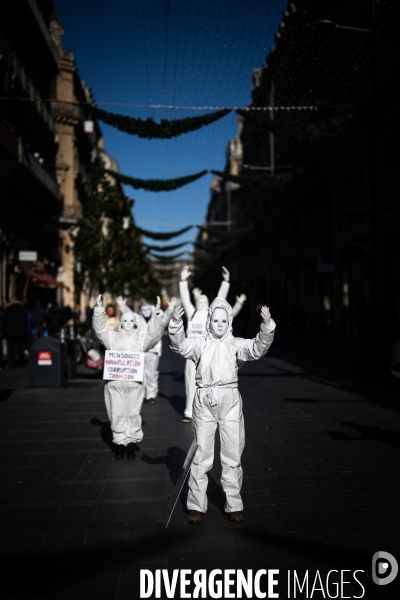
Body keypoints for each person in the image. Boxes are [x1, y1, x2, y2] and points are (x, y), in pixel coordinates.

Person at [169, 297, 275, 524]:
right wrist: (176, 325)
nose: (219, 324)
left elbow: (256, 348)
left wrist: (266, 328)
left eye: (223, 320)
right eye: (215, 320)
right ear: (209, 321)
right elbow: (181, 346)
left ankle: (234, 503)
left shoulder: (235, 344)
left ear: (229, 322)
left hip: (230, 401)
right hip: (204, 400)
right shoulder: (200, 344)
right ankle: (197, 505)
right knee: (200, 455)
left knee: (232, 454)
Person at [92, 294, 164, 459]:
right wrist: (99, 311)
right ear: (120, 322)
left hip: (134, 384)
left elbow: (153, 337)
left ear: (136, 323)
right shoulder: (112, 338)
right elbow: (100, 330)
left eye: (132, 321)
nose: (128, 323)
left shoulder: (140, 339)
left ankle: (131, 442)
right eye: (125, 320)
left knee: (132, 412)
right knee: (116, 413)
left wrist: (157, 316)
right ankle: (119, 443)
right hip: (115, 383)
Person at [179, 265, 246, 423]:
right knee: (190, 382)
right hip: (192, 353)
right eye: (199, 300)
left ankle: (207, 411)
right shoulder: (192, 313)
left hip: (208, 352)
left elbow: (221, 300)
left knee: (208, 382)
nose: (202, 302)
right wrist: (182, 281)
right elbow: (185, 299)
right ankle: (189, 411)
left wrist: (226, 282)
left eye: (204, 301)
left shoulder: (211, 315)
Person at [3, 299, 29, 368]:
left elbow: (4, 321)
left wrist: (4, 331)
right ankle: (21, 363)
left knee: (10, 348)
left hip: (10, 331)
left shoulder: (7, 310)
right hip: (20, 331)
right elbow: (25, 320)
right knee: (20, 347)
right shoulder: (22, 310)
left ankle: (12, 363)